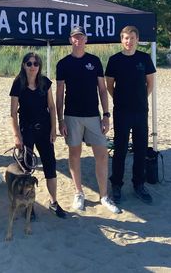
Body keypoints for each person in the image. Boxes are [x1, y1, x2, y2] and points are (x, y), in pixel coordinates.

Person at [56, 25, 121, 214]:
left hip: (93, 115)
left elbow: (102, 89)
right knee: (74, 155)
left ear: (86, 40)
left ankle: (104, 196)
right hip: (72, 116)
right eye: (75, 37)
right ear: (71, 40)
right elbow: (59, 93)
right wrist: (60, 120)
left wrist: (106, 115)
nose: (78, 40)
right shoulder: (63, 63)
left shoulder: (94, 61)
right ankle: (79, 192)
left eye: (81, 37)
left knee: (101, 155)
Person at [10, 52, 67, 219]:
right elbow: (13, 113)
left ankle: (54, 202)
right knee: (26, 169)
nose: (32, 66)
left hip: (44, 129)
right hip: (26, 130)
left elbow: (52, 106)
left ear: (39, 66)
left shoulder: (45, 83)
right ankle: (29, 205)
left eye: (35, 63)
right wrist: (16, 136)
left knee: (50, 166)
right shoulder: (17, 84)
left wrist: (53, 129)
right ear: (23, 65)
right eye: (29, 63)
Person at [105, 25, 156, 204]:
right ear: (121, 39)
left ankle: (139, 185)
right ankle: (117, 185)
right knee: (120, 149)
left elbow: (150, 83)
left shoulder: (144, 58)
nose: (129, 41)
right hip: (122, 111)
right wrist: (119, 99)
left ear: (137, 39)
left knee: (141, 148)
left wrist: (141, 98)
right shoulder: (114, 60)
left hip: (141, 111)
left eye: (132, 38)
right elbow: (109, 85)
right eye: (126, 38)